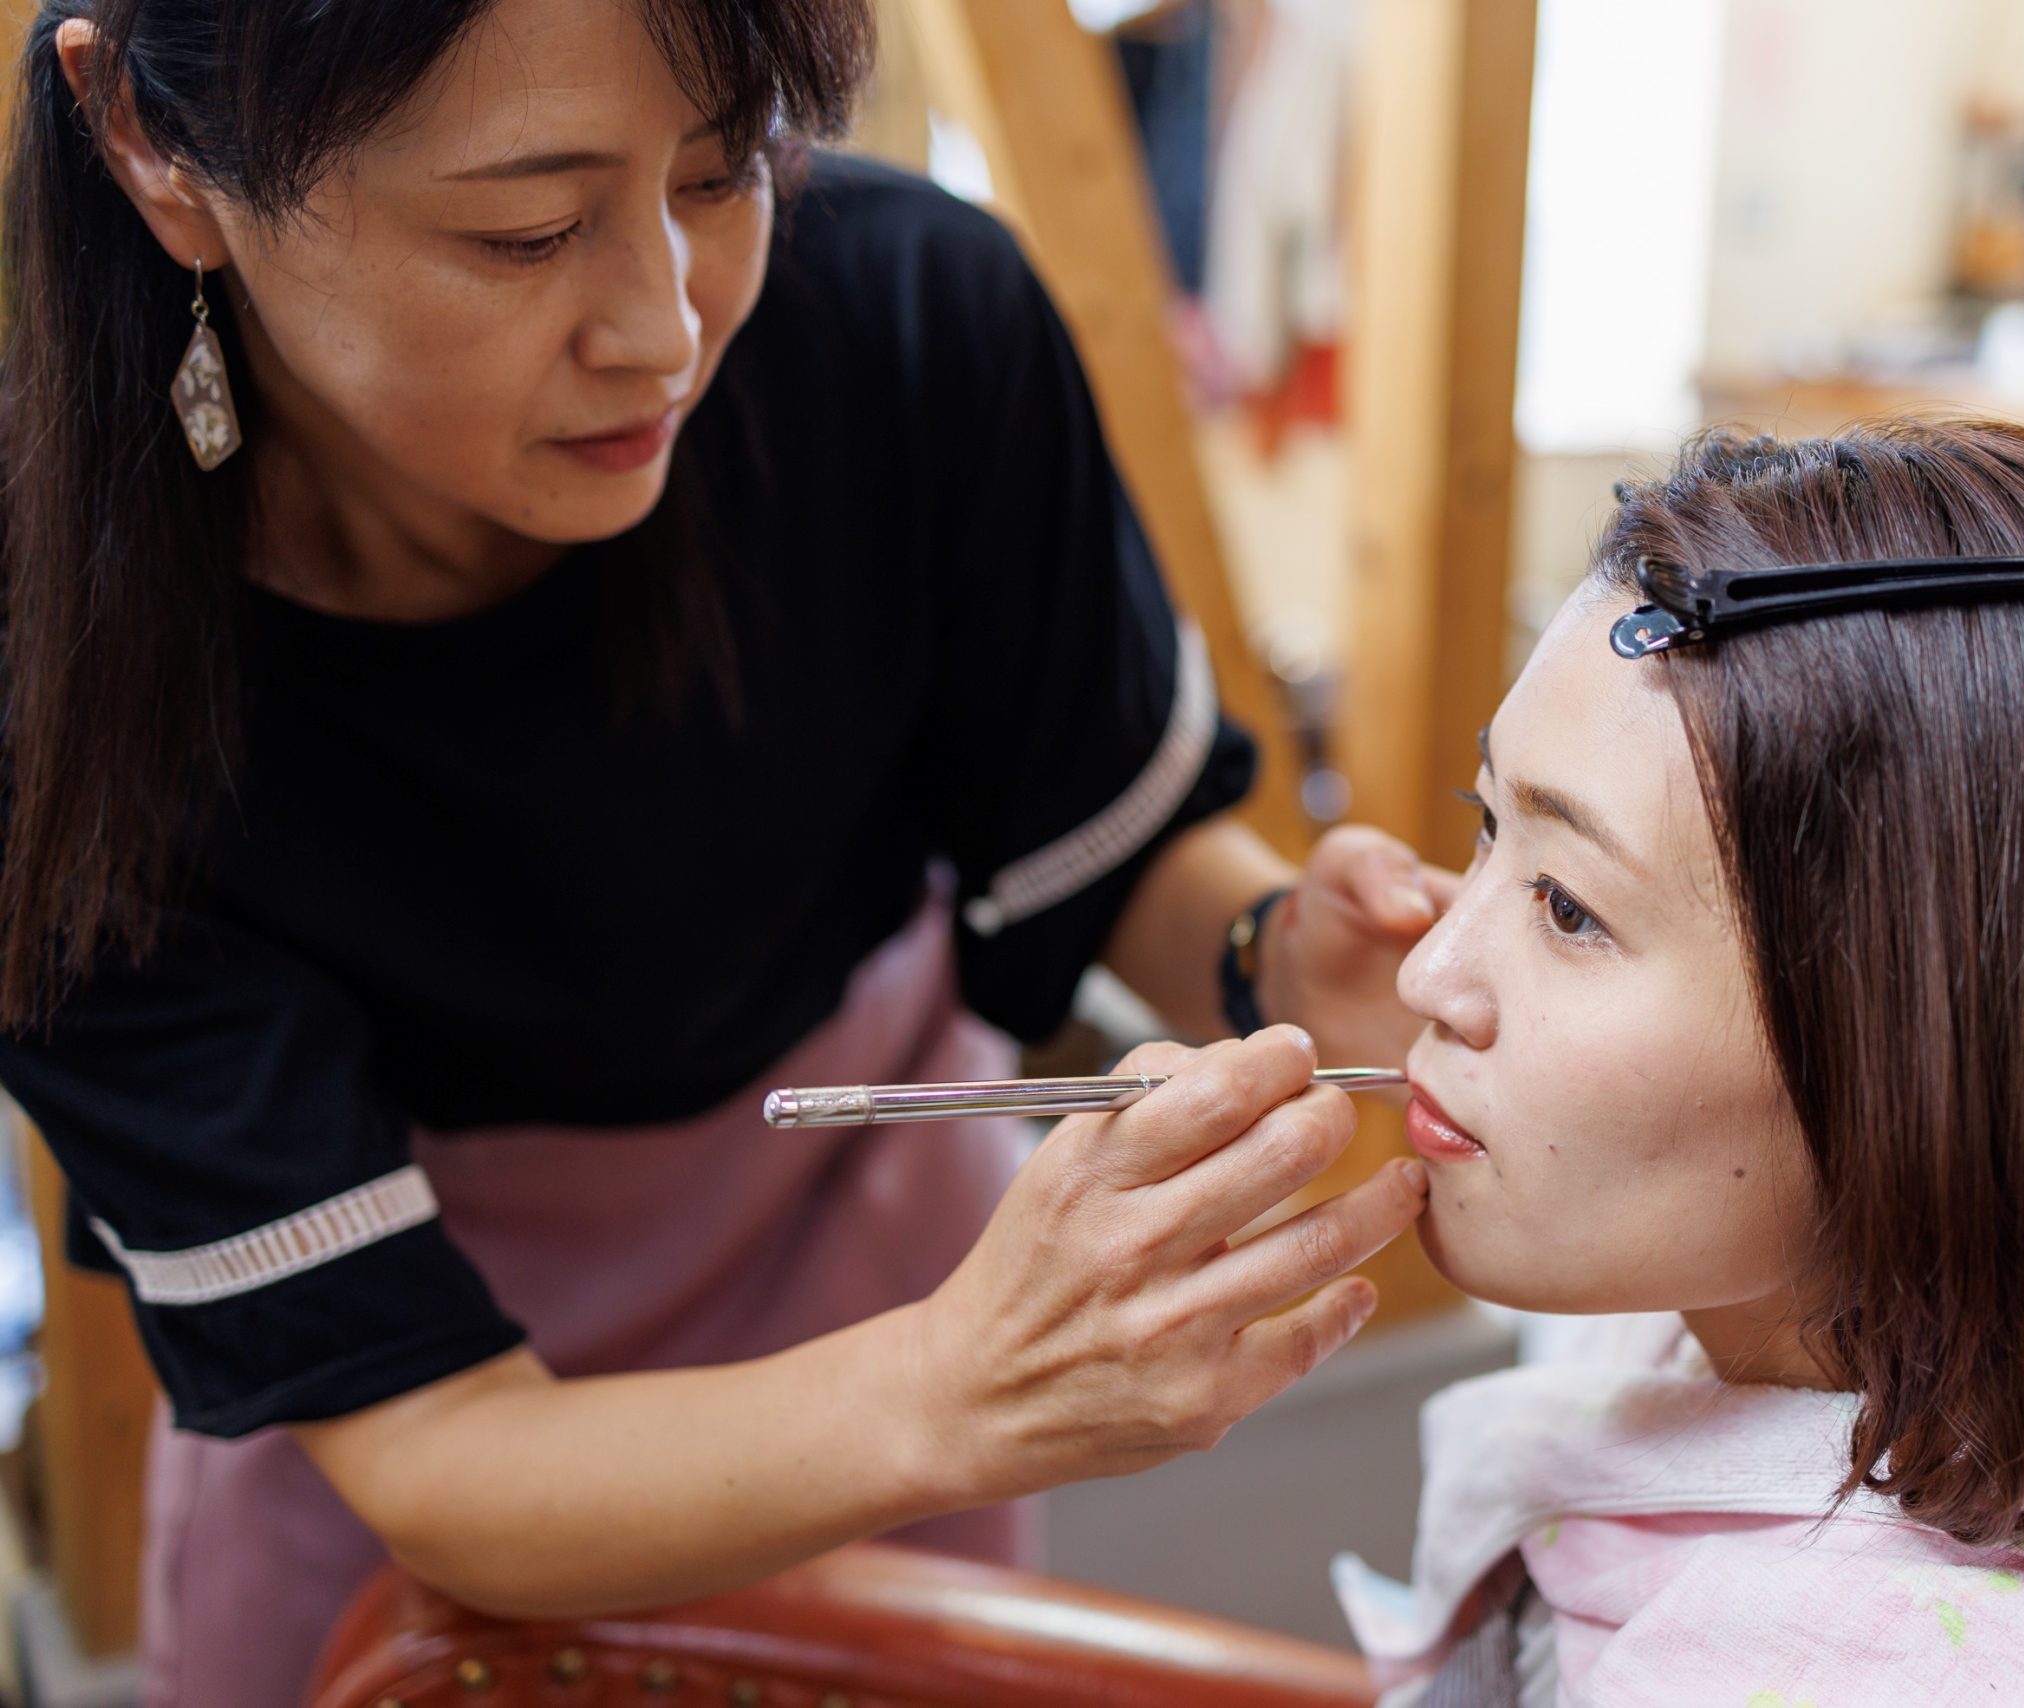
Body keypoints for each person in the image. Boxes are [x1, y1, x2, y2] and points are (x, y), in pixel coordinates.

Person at [0, 2, 1450, 1702]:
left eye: (724, 170)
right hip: (410, 1443)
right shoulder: (50, 681)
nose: (667, 329)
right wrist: (950, 1386)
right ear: (153, 144)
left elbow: (1101, 838)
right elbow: (442, 1452)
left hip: (879, 1274)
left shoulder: (909, 313)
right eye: (525, 230)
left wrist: (1274, 949)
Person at [1334, 421, 2024, 1704]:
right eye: (1487, 825)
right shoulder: (1690, 1341)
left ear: (1925, 1049)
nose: (1428, 972)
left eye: (1568, 907)